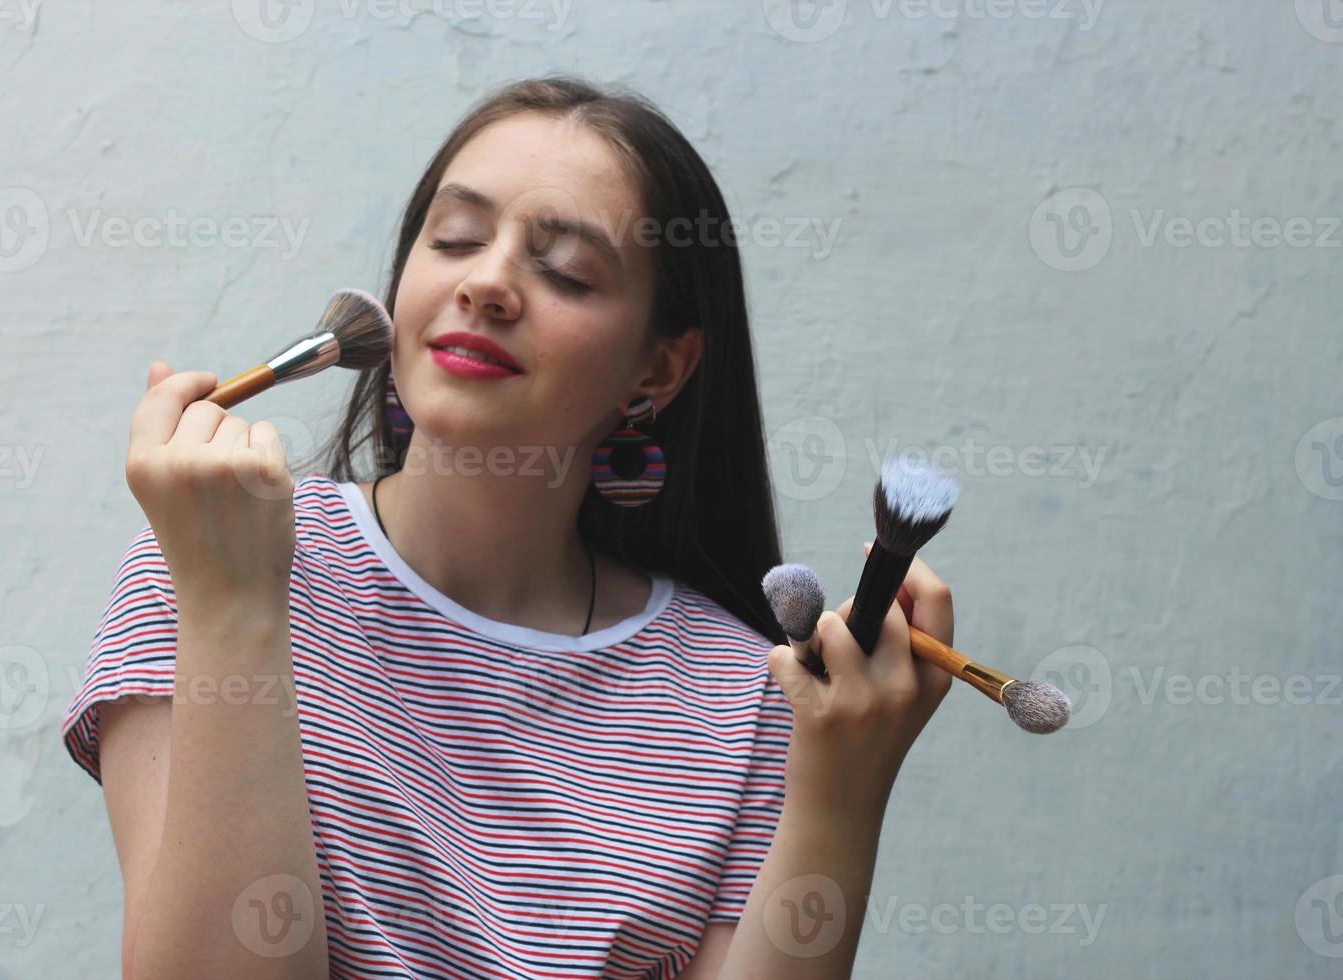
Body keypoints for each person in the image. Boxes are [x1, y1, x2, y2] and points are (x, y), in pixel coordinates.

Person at [60, 74, 955, 979]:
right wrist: (233, 605)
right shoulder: (207, 569)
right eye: (453, 239)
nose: (486, 283)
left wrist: (843, 795)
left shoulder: (746, 694)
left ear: (658, 370)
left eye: (564, 270)